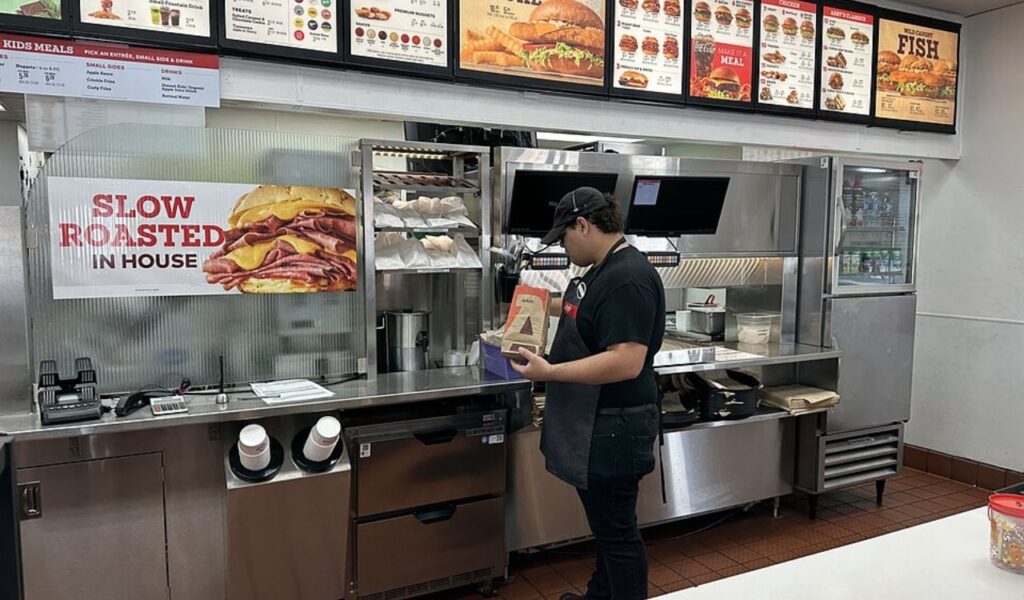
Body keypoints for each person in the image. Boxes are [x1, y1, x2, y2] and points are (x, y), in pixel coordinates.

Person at [511, 187, 666, 600]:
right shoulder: (603, 269)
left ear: (583, 224)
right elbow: (584, 310)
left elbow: (626, 361)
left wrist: (551, 372)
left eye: (564, 237)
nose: (563, 246)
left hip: (615, 426)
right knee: (606, 527)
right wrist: (537, 302)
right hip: (599, 421)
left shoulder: (627, 277)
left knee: (618, 534)